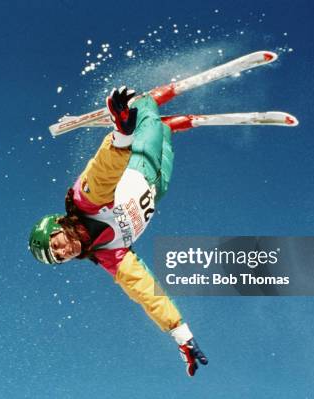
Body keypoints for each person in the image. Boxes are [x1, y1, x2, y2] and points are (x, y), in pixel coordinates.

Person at [29, 87, 208, 376]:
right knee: (162, 136)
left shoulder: (84, 202)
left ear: (57, 226)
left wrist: (122, 136)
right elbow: (146, 293)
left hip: (138, 162)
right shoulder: (109, 256)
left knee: (147, 119)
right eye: (59, 258)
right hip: (157, 185)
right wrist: (181, 335)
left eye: (56, 245)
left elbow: (102, 171)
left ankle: (145, 103)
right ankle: (164, 128)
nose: (64, 252)